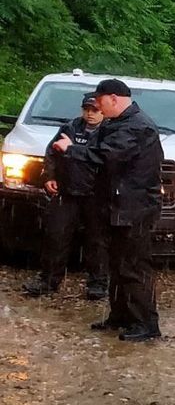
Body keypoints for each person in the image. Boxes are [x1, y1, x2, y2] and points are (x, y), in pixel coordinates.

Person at [53, 79, 164, 342]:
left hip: (134, 209)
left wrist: (72, 150)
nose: (98, 108)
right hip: (116, 206)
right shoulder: (118, 123)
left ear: (113, 99)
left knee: (133, 267)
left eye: (100, 102)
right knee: (117, 265)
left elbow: (105, 156)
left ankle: (147, 323)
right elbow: (97, 152)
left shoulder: (137, 127)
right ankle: (121, 316)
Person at [22, 94, 109, 299]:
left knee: (97, 241)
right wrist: (49, 176)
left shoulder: (109, 132)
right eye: (86, 109)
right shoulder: (69, 128)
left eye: (95, 110)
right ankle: (48, 280)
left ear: (103, 111)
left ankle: (98, 284)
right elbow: (52, 153)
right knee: (56, 236)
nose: (90, 114)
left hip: (95, 195)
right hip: (67, 192)